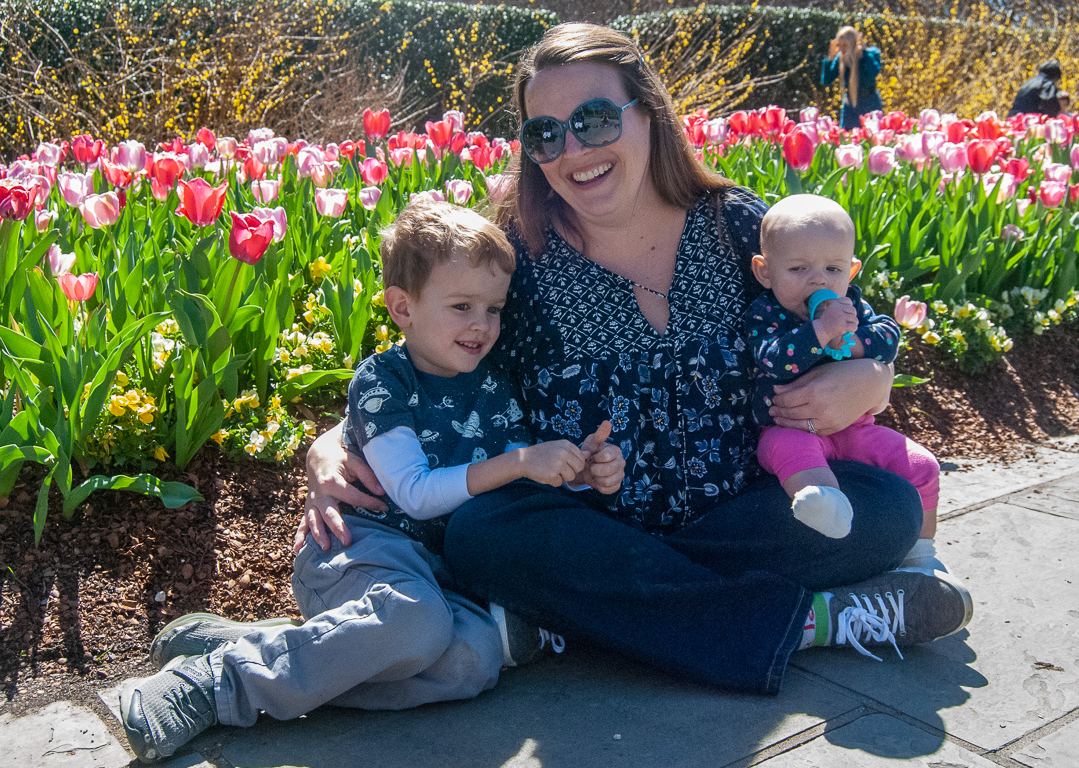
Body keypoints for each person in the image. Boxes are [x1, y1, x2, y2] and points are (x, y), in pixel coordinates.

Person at [302, 22, 973, 697]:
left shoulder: (736, 226)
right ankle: (814, 622)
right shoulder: (517, 254)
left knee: (885, 506)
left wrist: (872, 373)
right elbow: (426, 354)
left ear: (648, 113)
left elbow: (847, 319)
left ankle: (575, 620)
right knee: (483, 534)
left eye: (593, 120)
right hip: (583, 522)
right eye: (545, 133)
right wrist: (333, 439)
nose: (572, 150)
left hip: (738, 512)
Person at [118, 199, 625, 763]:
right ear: (403, 308)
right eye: (461, 306)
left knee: (474, 660)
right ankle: (216, 684)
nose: (482, 325)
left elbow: (515, 475)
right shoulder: (383, 383)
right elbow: (416, 492)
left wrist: (578, 474)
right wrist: (521, 460)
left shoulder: (494, 383)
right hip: (359, 553)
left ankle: (269, 653)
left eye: (493, 308)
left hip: (431, 577)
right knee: (416, 624)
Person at [747, 194, 945, 572]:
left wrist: (853, 342)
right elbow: (773, 358)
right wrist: (819, 332)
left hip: (855, 428)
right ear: (765, 271)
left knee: (923, 466)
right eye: (798, 269)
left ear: (852, 272)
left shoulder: (851, 305)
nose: (818, 279)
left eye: (833, 269)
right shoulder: (766, 313)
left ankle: (922, 556)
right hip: (789, 427)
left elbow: (888, 336)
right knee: (787, 449)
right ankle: (826, 504)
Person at [821, 26, 883, 131]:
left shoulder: (871, 54)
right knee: (847, 136)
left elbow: (874, 72)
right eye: (839, 45)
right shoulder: (841, 58)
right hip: (851, 105)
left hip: (870, 102)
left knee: (873, 135)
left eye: (844, 45)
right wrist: (830, 58)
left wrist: (865, 53)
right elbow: (827, 80)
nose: (841, 49)